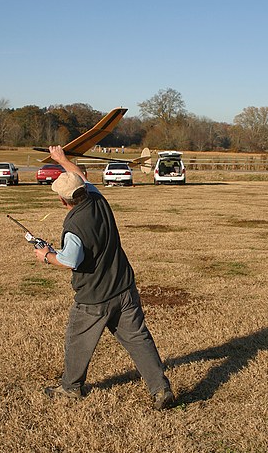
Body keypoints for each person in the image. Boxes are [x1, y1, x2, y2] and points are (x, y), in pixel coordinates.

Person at [34, 145, 174, 410]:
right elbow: (79, 176)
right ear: (82, 190)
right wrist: (63, 159)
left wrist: (45, 255)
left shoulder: (73, 225)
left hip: (94, 298)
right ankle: (161, 389)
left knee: (77, 341)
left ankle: (70, 389)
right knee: (139, 339)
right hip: (124, 287)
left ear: (63, 201)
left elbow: (69, 260)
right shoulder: (97, 198)